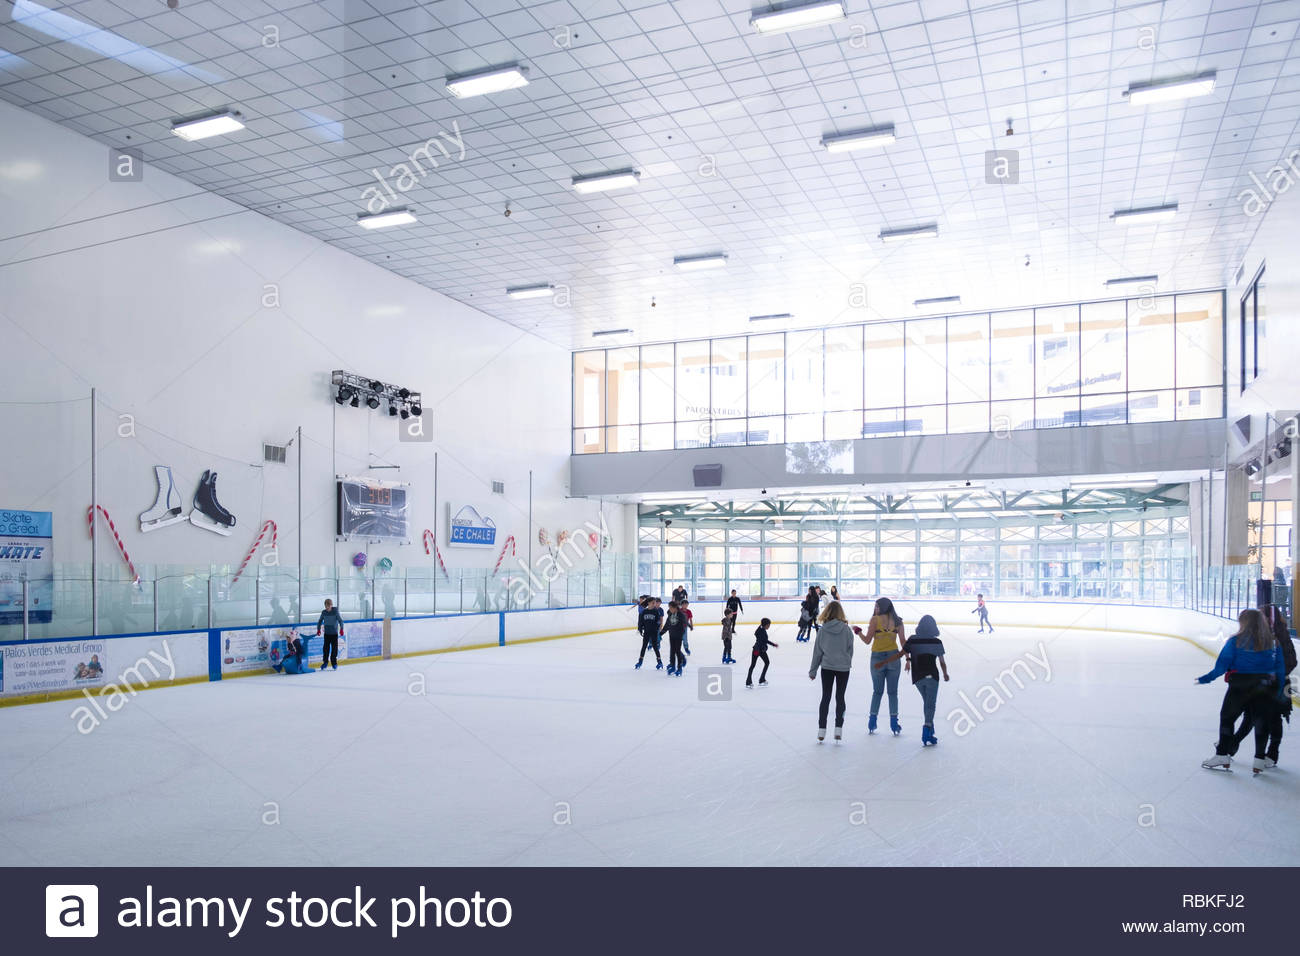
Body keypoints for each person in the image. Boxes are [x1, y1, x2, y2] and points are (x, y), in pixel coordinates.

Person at [1197, 608, 1287, 774]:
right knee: (1260, 722)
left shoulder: (1236, 641)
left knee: (1227, 718)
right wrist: (1280, 689)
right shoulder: (1273, 642)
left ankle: (1222, 754)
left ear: (1243, 623)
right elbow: (1280, 668)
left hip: (1240, 686)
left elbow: (1222, 665)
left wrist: (1206, 678)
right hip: (1265, 686)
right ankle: (1259, 759)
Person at [1229, 604, 1296, 767]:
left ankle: (1272, 754)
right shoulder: (1260, 635)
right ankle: (1232, 744)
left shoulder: (1280, 636)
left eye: (1262, 616)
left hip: (1277, 685)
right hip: (1260, 684)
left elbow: (1291, 661)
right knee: (1251, 715)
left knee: (1274, 719)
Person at [875, 614, 948, 746]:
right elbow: (942, 662)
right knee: (930, 705)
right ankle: (927, 730)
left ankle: (931, 732)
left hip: (918, 678)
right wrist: (945, 674)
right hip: (932, 677)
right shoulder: (937, 642)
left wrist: (884, 662)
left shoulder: (913, 640)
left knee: (927, 703)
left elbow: (899, 654)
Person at [856, 597, 906, 736]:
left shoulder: (875, 620)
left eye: (877, 606)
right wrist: (907, 658)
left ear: (883, 607)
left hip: (877, 658)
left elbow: (867, 641)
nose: (875, 609)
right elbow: (903, 641)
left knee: (877, 692)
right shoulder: (898, 621)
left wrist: (858, 632)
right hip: (894, 657)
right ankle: (894, 723)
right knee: (893, 692)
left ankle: (872, 721)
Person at [808, 601, 854, 742]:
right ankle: (838, 729)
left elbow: (817, 652)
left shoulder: (823, 630)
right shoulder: (847, 630)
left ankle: (822, 731)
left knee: (826, 697)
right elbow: (850, 649)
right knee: (840, 697)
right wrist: (846, 662)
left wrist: (813, 670)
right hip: (843, 668)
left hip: (827, 667)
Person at [746, 617, 777, 688]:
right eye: (768, 625)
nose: (769, 626)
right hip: (758, 650)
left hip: (757, 650)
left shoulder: (760, 628)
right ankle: (752, 681)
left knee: (760, 664)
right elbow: (765, 641)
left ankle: (760, 679)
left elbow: (756, 634)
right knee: (756, 664)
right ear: (765, 625)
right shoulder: (762, 631)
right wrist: (773, 645)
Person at [660, 600, 689, 677]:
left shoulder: (681, 615)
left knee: (677, 651)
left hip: (678, 635)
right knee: (672, 651)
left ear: (675, 607)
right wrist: (660, 634)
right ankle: (673, 666)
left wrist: (682, 632)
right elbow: (666, 625)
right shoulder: (670, 615)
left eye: (671, 608)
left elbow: (685, 623)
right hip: (672, 635)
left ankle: (679, 667)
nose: (670, 609)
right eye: (669, 608)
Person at [635, 597, 664, 670]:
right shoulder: (644, 612)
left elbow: (658, 621)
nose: (654, 604)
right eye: (653, 603)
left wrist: (657, 628)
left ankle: (659, 662)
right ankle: (640, 661)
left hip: (654, 632)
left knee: (655, 647)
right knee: (644, 646)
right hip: (647, 632)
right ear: (648, 603)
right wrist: (640, 628)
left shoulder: (656, 611)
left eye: (655, 603)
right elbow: (641, 621)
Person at [316, 599, 345, 671]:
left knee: (334, 649)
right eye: (326, 606)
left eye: (328, 606)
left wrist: (341, 629)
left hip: (334, 634)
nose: (327, 607)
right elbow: (320, 621)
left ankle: (334, 663)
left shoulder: (335, 612)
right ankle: (325, 662)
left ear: (331, 605)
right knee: (325, 649)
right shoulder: (324, 612)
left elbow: (340, 621)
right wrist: (318, 629)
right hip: (327, 634)